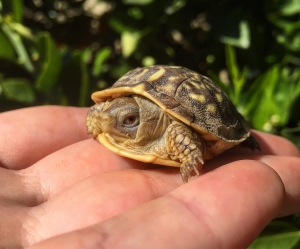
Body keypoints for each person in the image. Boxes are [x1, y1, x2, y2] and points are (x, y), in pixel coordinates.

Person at [0, 106, 299, 249]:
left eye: (129, 121)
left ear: (150, 119)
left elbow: (185, 137)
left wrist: (189, 156)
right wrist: (101, 119)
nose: (112, 122)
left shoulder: (172, 128)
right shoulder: (112, 113)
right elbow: (101, 113)